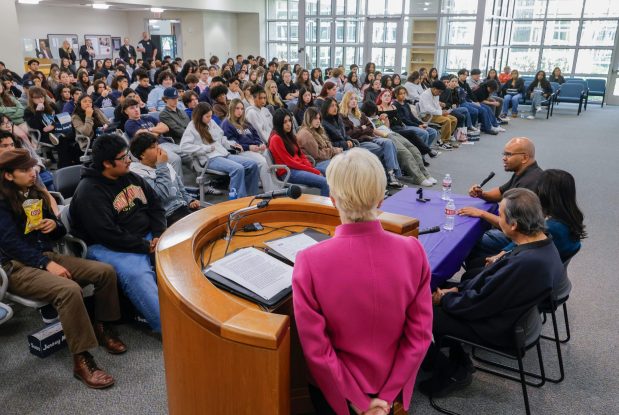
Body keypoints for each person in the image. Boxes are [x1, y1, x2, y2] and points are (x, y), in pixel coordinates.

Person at [293, 147, 432, 414]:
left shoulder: (309, 261)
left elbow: (317, 350)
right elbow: (421, 335)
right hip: (391, 386)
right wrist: (388, 396)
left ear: (332, 200)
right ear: (381, 199)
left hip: (337, 391)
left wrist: (358, 399)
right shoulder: (413, 250)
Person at [0, 148, 126, 389]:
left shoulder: (34, 191)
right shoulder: (1, 202)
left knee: (105, 272)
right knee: (68, 290)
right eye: (25, 170)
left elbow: (59, 231)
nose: (33, 172)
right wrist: (47, 264)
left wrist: (52, 225)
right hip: (14, 267)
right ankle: (82, 360)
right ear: (7, 176)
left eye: (32, 167)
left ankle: (102, 326)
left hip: (45, 254)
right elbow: (10, 244)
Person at [421, 188, 563, 397]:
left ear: (513, 225)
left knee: (423, 314)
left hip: (499, 328)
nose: (498, 219)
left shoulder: (526, 264)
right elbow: (489, 290)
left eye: (501, 215)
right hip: (513, 317)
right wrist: (457, 290)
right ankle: (454, 357)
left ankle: (453, 371)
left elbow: (477, 305)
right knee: (453, 288)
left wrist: (446, 297)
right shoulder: (542, 243)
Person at [70, 134, 165, 332]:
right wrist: (145, 246)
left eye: (128, 155)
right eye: (123, 158)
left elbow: (156, 205)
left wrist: (158, 234)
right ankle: (170, 328)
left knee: (177, 253)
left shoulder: (129, 176)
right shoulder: (89, 192)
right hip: (105, 245)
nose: (129, 160)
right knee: (137, 274)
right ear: (106, 163)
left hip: (144, 236)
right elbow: (107, 233)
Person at [459, 137, 543, 261]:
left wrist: (481, 213)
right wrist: (481, 194)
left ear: (524, 157)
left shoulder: (530, 183)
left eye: (509, 154)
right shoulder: (522, 172)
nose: (504, 158)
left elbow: (513, 226)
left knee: (471, 239)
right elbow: (500, 193)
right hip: (515, 229)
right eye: (504, 154)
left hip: (518, 237)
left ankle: (479, 275)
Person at [180, 102, 259, 197]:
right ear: (199, 116)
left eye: (211, 116)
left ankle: (251, 197)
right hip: (209, 158)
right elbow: (184, 146)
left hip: (223, 154)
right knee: (238, 169)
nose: (210, 119)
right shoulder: (192, 127)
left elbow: (221, 138)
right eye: (207, 116)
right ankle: (237, 201)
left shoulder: (211, 123)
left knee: (253, 164)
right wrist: (205, 148)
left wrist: (232, 145)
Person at [129, 133, 200, 226]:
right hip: (166, 216)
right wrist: (162, 165)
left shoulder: (165, 165)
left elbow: (181, 189)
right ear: (142, 154)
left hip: (183, 208)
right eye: (153, 147)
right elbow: (161, 197)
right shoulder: (139, 174)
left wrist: (190, 200)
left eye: (158, 145)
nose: (159, 149)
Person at [361, 101, 436, 187]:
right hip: (385, 136)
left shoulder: (374, 118)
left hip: (392, 133)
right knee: (405, 153)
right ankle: (419, 178)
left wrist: (385, 119)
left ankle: (426, 174)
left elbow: (386, 127)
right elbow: (372, 131)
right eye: (374, 111)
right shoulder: (365, 119)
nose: (375, 112)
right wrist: (385, 134)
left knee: (414, 149)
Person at [339, 92, 404, 188]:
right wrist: (362, 128)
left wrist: (361, 129)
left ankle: (391, 175)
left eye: (355, 99)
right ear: (346, 100)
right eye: (351, 99)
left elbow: (370, 128)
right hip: (359, 141)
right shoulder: (342, 116)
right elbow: (349, 133)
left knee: (389, 143)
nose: (354, 101)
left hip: (369, 137)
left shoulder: (360, 114)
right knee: (384, 149)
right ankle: (390, 177)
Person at [268, 108, 329, 196]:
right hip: (289, 172)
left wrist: (310, 167)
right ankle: (325, 209)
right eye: (285, 122)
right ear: (279, 123)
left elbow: (301, 155)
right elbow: (290, 162)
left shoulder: (290, 136)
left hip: (298, 169)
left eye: (289, 121)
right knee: (325, 182)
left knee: (331, 175)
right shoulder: (276, 139)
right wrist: (313, 171)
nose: (289, 124)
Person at [221, 98, 276, 192]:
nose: (240, 111)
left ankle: (276, 186)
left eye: (242, 109)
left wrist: (260, 143)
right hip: (240, 152)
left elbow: (255, 135)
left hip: (254, 148)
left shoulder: (245, 122)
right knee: (263, 162)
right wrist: (249, 147)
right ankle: (270, 191)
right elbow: (233, 144)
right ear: (231, 109)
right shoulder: (227, 123)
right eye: (237, 108)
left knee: (270, 155)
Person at [123, 98, 184, 179]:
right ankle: (176, 188)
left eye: (137, 107)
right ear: (126, 111)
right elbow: (143, 135)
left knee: (189, 153)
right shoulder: (129, 124)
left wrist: (150, 130)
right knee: (175, 159)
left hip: (168, 143)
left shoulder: (147, 118)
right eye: (132, 108)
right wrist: (158, 131)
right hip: (155, 147)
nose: (136, 110)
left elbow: (165, 127)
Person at [296, 107, 342, 174]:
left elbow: (326, 147)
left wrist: (335, 151)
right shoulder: (305, 134)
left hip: (324, 159)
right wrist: (334, 151)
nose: (318, 121)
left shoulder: (315, 130)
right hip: (316, 163)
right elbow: (317, 155)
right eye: (315, 118)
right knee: (342, 166)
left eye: (319, 118)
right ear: (309, 119)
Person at [418, 81, 459, 150]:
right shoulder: (425, 95)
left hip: (435, 114)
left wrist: (442, 111)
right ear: (434, 89)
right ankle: (443, 142)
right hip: (427, 116)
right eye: (439, 92)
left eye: (441, 92)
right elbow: (428, 109)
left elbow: (437, 106)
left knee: (454, 119)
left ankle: (442, 139)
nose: (440, 94)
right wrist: (441, 113)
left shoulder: (436, 94)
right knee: (447, 120)